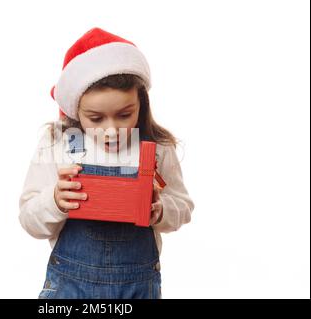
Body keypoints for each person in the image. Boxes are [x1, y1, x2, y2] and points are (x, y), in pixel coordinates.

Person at [19, 27, 194, 299]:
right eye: (95, 119)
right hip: (70, 288)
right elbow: (29, 219)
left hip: (136, 287)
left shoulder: (157, 148)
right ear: (75, 109)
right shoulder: (59, 142)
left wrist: (161, 210)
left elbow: (183, 207)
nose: (111, 130)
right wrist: (53, 201)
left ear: (141, 102)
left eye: (125, 114)